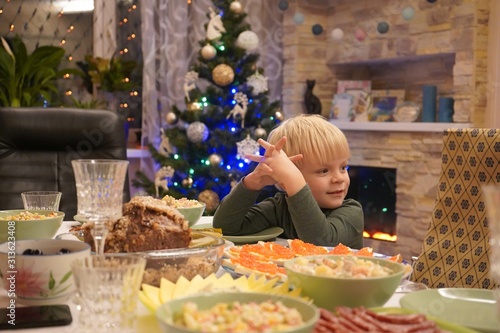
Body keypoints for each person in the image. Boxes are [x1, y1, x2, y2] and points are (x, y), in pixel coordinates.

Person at [213, 114, 364, 249]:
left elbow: (321, 244)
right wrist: (252, 183)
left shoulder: (351, 212)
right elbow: (225, 227)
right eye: (324, 171)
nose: (339, 178)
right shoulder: (278, 208)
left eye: (343, 167)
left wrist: (294, 179)